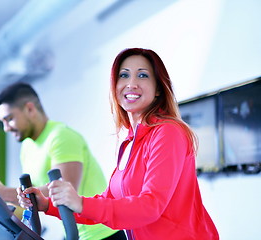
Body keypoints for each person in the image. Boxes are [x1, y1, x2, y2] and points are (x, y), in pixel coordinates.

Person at [17, 48, 219, 240]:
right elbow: (109, 201)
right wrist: (48, 205)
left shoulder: (167, 132)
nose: (131, 83)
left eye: (142, 75)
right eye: (124, 75)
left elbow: (151, 206)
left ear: (158, 89)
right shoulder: (130, 141)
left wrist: (79, 202)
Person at [0, 82, 125, 240]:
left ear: (30, 109)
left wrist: (4, 192)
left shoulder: (60, 136)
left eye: (9, 119)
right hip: (72, 233)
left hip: (102, 234)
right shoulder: (27, 147)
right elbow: (32, 203)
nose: (6, 128)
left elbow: (64, 190)